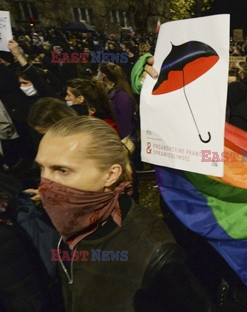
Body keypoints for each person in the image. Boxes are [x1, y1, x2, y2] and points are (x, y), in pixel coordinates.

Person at [35, 116, 211, 311]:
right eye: (42, 168)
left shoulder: (155, 252)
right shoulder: (67, 222)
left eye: (62, 170)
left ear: (110, 175)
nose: (44, 185)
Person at [98, 63, 136, 139]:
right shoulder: (107, 94)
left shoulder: (122, 98)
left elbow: (126, 128)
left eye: (98, 71)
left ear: (103, 75)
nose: (97, 74)